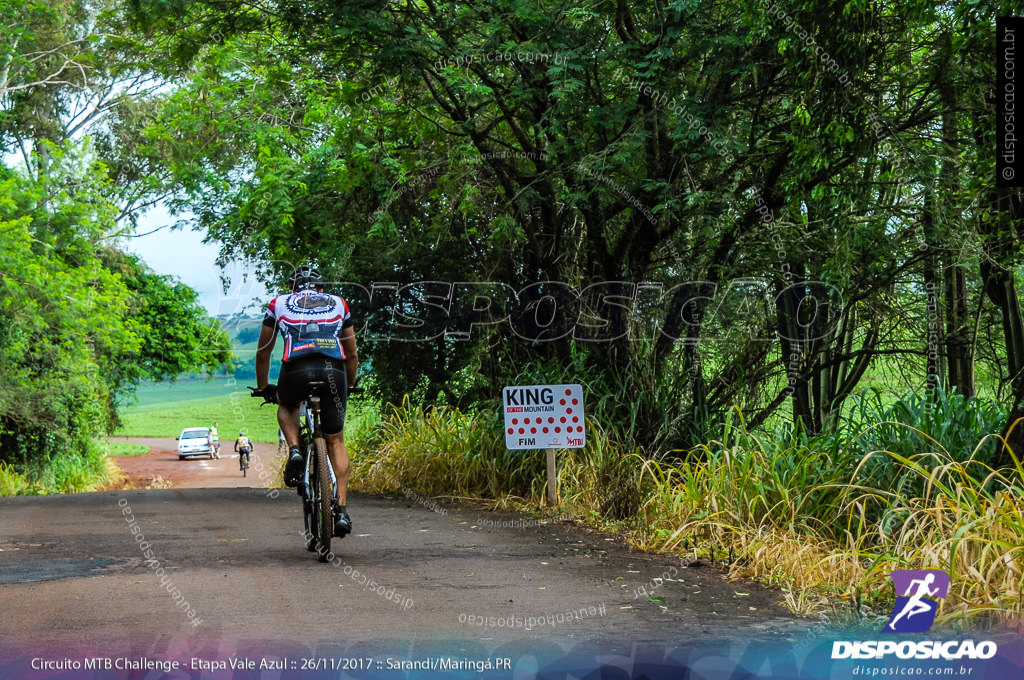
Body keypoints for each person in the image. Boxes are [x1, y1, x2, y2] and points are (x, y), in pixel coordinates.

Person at [251, 264, 358, 538]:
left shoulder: (279, 303)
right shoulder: (339, 303)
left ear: (292, 289)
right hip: (333, 371)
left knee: (287, 406)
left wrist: (264, 388)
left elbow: (264, 351)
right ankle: (342, 510)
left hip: (295, 370)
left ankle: (296, 449)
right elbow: (352, 353)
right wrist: (351, 384)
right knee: (336, 439)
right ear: (322, 290)